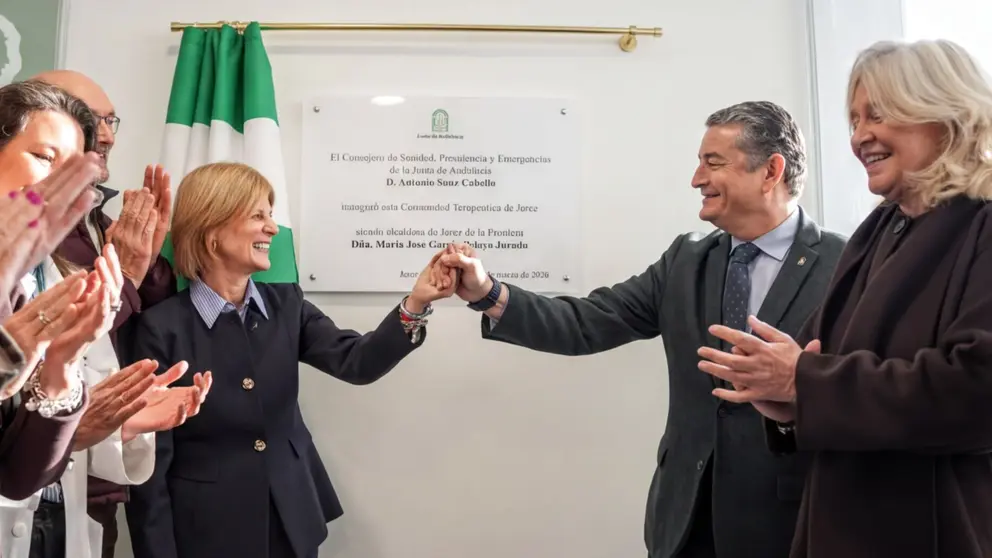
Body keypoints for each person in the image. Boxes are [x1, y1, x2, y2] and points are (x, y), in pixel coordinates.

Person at [432, 101, 848, 558]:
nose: (696, 179)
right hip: (684, 519)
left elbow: (861, 390)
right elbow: (586, 322)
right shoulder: (686, 260)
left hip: (788, 523)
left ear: (771, 171)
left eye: (713, 163)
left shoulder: (843, 265)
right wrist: (486, 292)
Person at [696, 39, 992, 558]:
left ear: (946, 116)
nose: (859, 137)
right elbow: (820, 361)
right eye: (854, 120)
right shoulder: (879, 230)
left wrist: (802, 382)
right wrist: (785, 403)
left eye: (877, 114)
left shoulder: (982, 227)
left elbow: (976, 392)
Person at [124, 161, 456, 558]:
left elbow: (357, 361)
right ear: (212, 231)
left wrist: (415, 304)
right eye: (258, 215)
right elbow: (149, 463)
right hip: (206, 530)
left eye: (271, 215)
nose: (273, 229)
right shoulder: (159, 327)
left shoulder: (288, 304)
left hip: (291, 515)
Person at [0, 78, 213, 558]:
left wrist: (110, 419)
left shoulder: (53, 266)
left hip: (60, 504)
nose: (107, 134)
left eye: (74, 168)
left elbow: (21, 465)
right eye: (44, 157)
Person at [31, 69, 177, 558]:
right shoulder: (27, 231)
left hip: (94, 479)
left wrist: (146, 269)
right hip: (35, 473)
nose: (110, 134)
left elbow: (137, 324)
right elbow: (53, 343)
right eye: (94, 120)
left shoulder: (98, 220)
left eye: (112, 120)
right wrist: (127, 279)